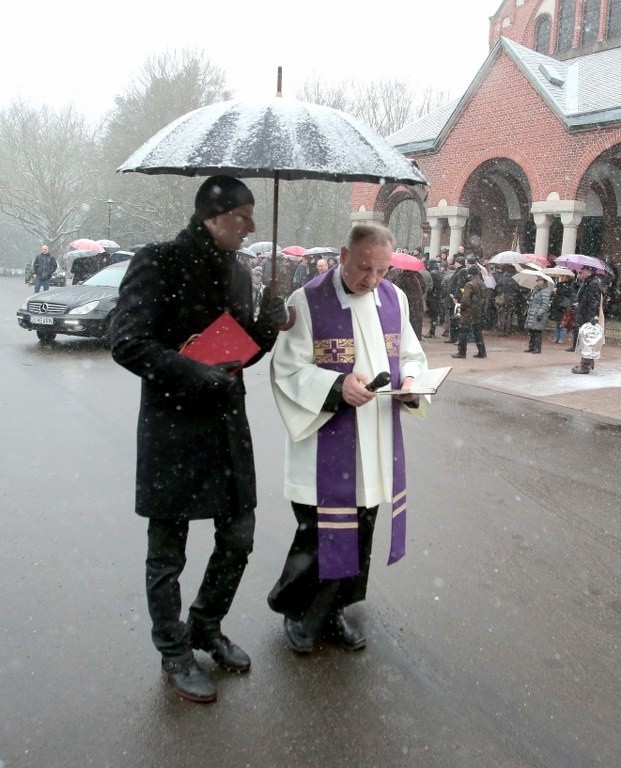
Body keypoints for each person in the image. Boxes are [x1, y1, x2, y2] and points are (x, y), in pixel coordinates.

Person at [110, 175, 287, 703]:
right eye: (243, 216)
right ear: (213, 215)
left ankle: (206, 626)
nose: (252, 226)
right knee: (168, 553)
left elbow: (239, 352)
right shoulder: (158, 261)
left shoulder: (237, 271)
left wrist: (268, 327)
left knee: (239, 536)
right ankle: (173, 650)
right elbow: (126, 343)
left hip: (227, 427)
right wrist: (192, 374)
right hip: (173, 429)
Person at [267, 223, 429, 654]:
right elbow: (287, 369)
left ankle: (335, 611)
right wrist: (338, 387)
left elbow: (411, 353)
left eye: (381, 270)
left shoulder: (395, 299)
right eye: (364, 268)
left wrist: (411, 379)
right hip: (326, 442)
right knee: (319, 534)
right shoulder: (307, 302)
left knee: (359, 533)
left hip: (374, 444)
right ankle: (299, 611)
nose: (372, 280)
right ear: (343, 254)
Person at [570, 265, 603, 373]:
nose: (581, 273)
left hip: (588, 316)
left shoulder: (593, 284)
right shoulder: (588, 283)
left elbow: (594, 302)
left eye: (582, 271)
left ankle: (585, 366)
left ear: (589, 272)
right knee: (586, 340)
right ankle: (586, 362)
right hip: (585, 314)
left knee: (587, 340)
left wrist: (593, 317)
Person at [451, 265, 487, 359]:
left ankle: (462, 352)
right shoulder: (482, 283)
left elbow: (465, 300)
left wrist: (461, 307)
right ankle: (482, 351)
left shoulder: (469, 284)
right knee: (477, 331)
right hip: (478, 310)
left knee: (463, 331)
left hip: (468, 311)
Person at [523, 275, 552, 353]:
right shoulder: (536, 290)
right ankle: (531, 347)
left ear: (544, 281)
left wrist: (540, 313)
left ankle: (537, 348)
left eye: (540, 280)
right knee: (532, 331)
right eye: (537, 280)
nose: (538, 282)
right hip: (533, 312)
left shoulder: (546, 291)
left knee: (537, 331)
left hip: (538, 313)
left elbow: (544, 304)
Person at [548, 273, 576, 343]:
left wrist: (557, 291)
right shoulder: (559, 284)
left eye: (563, 276)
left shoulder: (569, 286)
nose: (562, 277)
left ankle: (561, 337)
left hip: (564, 306)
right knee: (558, 322)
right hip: (557, 305)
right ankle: (556, 337)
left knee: (563, 322)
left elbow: (568, 295)